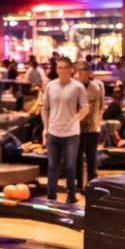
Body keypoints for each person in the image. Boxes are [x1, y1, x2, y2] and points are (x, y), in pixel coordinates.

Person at [40, 58, 88, 204]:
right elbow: (45, 107)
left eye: (63, 68)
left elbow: (85, 107)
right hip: (53, 131)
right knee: (52, 166)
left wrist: (76, 119)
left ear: (70, 69)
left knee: (70, 166)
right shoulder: (50, 86)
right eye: (58, 68)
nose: (60, 70)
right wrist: (45, 128)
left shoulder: (78, 87)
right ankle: (51, 196)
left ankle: (71, 195)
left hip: (71, 134)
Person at [76, 65, 105, 185]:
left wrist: (98, 120)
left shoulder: (96, 87)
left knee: (91, 158)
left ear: (88, 73)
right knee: (77, 157)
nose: (80, 75)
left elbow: (100, 106)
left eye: (83, 72)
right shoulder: (75, 87)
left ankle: (91, 184)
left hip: (93, 127)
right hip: (78, 128)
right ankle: (79, 183)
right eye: (79, 72)